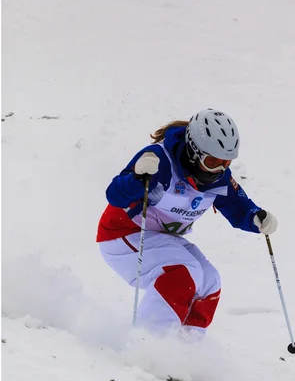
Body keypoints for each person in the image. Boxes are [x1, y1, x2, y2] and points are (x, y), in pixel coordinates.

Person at [97, 108, 278, 337]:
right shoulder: (161, 160)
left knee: (209, 281)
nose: (220, 169)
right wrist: (137, 179)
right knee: (183, 272)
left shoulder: (218, 176)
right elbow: (115, 194)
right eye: (212, 161)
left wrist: (255, 217)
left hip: (160, 239)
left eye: (226, 161)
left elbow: (236, 206)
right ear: (193, 150)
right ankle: (148, 344)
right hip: (124, 235)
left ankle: (186, 353)